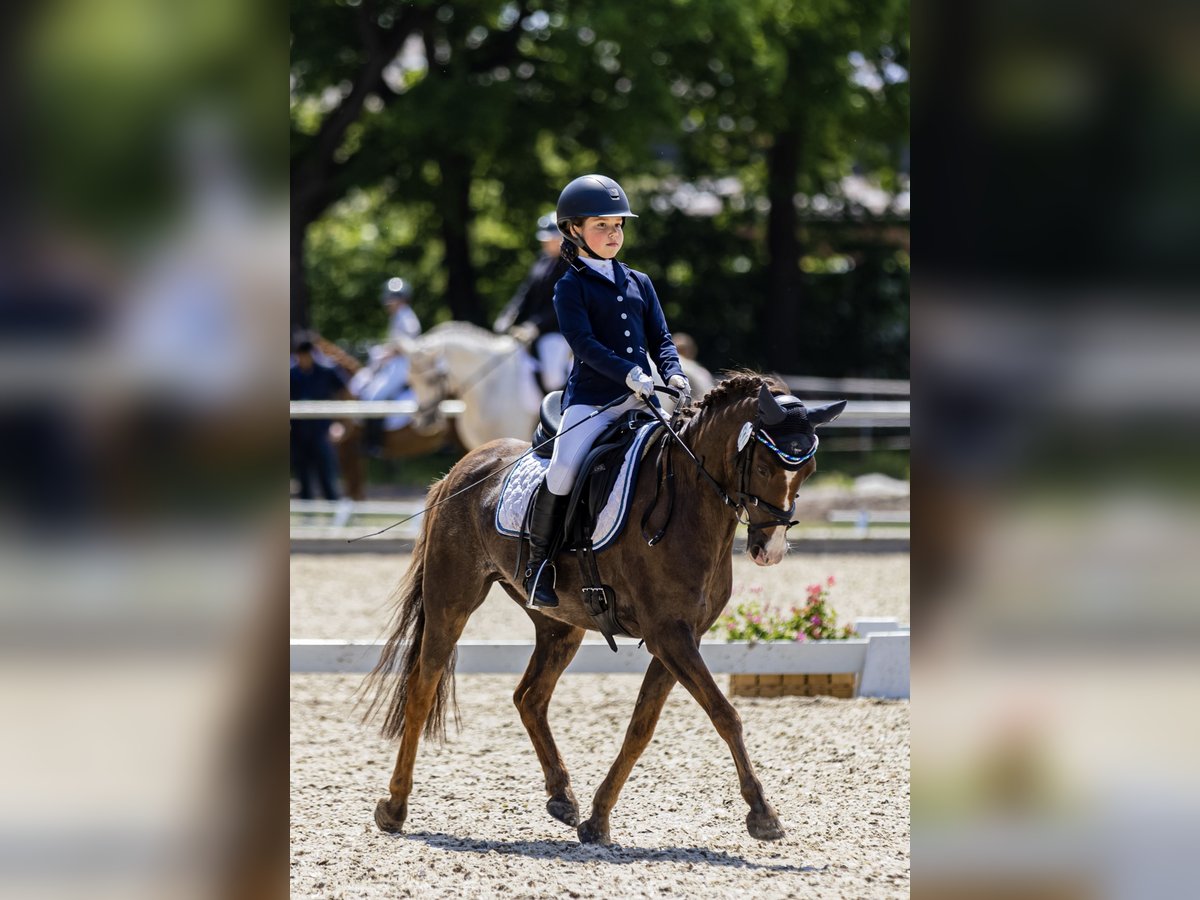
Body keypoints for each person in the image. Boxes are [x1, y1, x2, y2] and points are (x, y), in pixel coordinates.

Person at [523, 174, 692, 607]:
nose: (613, 233)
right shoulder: (569, 286)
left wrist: (672, 372)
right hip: (593, 401)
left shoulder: (639, 281)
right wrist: (627, 374)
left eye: (618, 225)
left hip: (645, 398)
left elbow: (662, 338)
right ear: (573, 229)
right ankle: (538, 562)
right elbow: (583, 345)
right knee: (562, 470)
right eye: (602, 225)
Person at [494, 214, 572, 394]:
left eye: (551, 239)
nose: (546, 243)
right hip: (529, 330)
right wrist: (509, 315)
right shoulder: (542, 260)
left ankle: (558, 413)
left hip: (557, 331)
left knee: (552, 376)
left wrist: (534, 326)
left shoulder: (571, 265)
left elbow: (560, 304)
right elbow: (525, 293)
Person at [351, 277, 424, 452]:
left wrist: (386, 353)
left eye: (392, 298)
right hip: (396, 363)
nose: (388, 303)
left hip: (403, 364)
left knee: (374, 397)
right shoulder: (399, 316)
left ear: (402, 299)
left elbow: (406, 345)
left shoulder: (406, 317)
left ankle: (375, 443)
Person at [290, 335, 350, 499]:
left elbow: (345, 391)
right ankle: (307, 516)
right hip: (297, 433)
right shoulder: (291, 373)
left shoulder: (326, 371)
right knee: (303, 478)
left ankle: (334, 513)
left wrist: (340, 423)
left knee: (327, 476)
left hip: (322, 431)